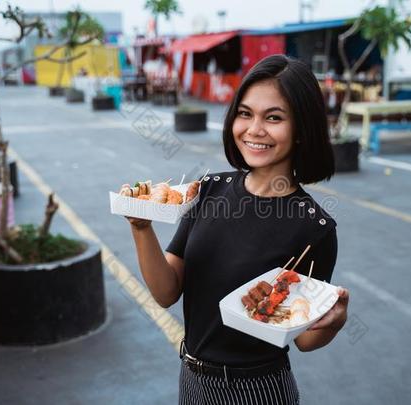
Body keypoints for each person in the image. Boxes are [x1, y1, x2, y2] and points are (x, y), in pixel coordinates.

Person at [126, 54, 349, 404]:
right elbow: (167, 290)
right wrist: (141, 228)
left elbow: (306, 340)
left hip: (257, 388)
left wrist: (333, 322)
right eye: (245, 114)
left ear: (302, 129)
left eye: (273, 118)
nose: (254, 130)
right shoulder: (210, 189)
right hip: (191, 379)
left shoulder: (313, 226)